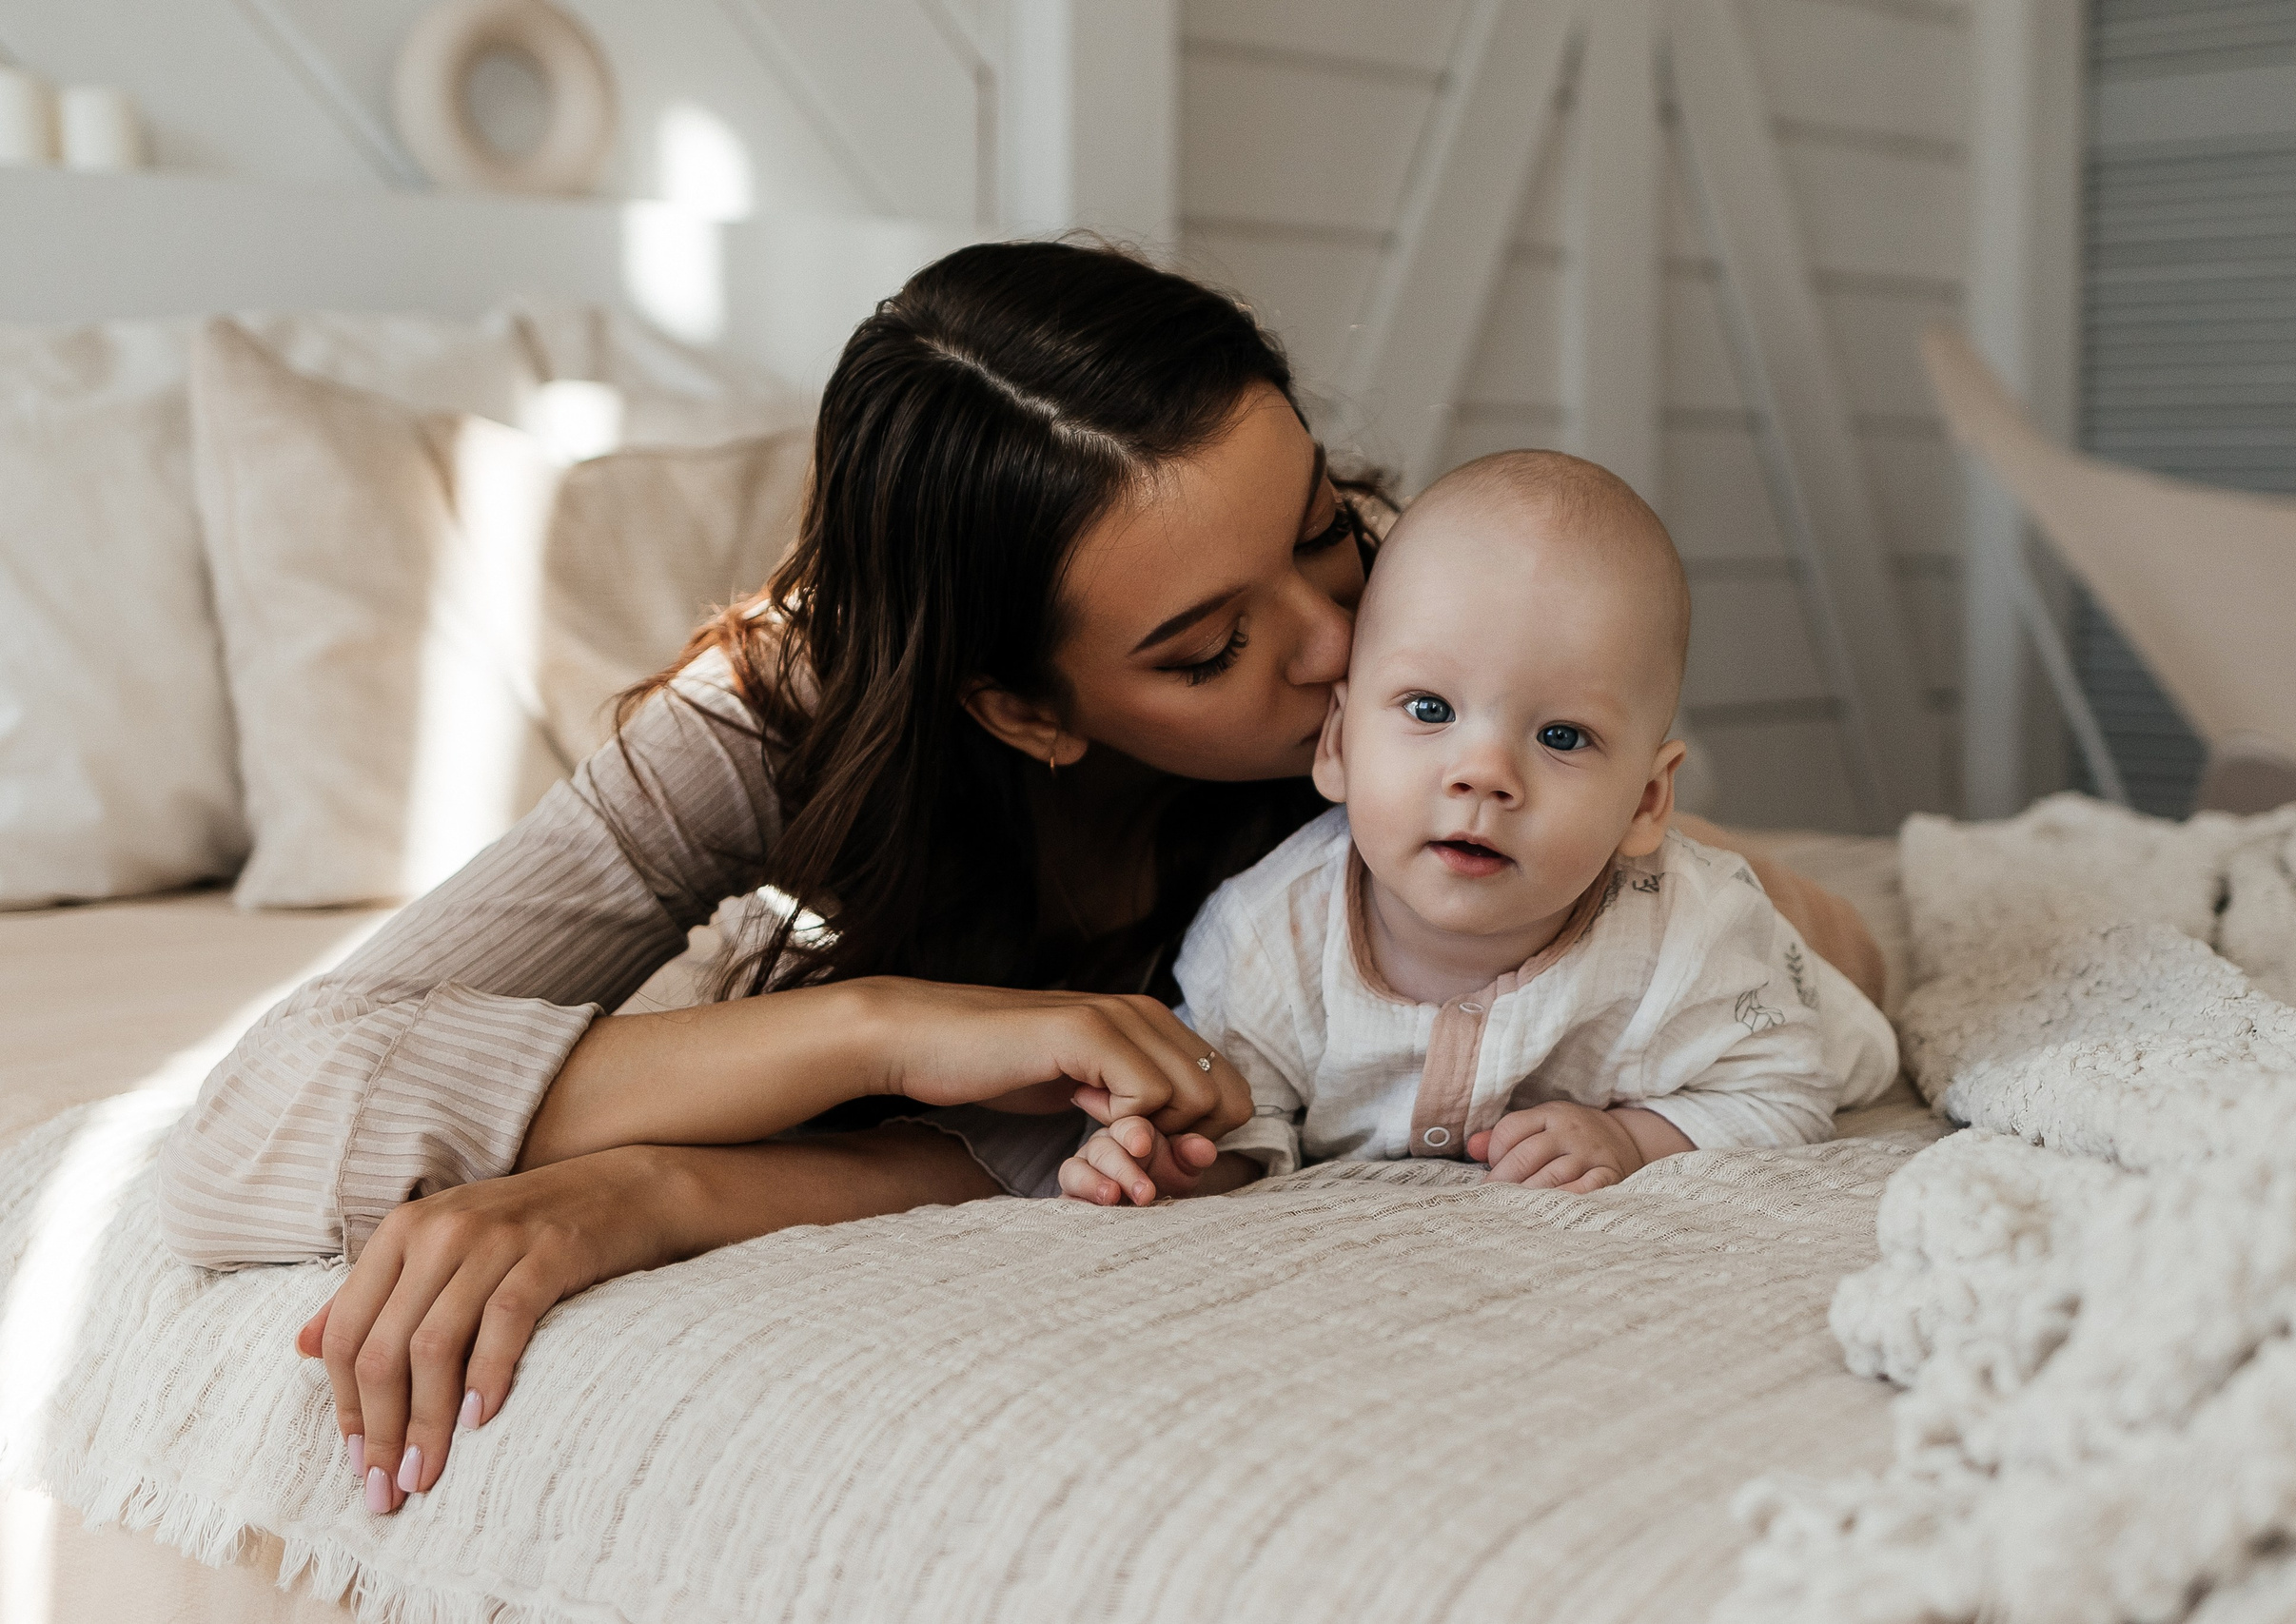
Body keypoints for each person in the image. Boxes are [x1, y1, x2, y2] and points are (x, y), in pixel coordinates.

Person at [154, 243, 1889, 1517]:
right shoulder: (760, 729)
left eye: (1318, 530)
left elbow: (1772, 947)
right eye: (1211, 647)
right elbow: (244, 1132)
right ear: (1022, 708)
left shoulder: (1402, 667)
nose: (1335, 647)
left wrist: (661, 1191)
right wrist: (881, 1029)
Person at [1058, 452, 1896, 1208]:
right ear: (1339, 740)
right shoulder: (1264, 940)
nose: (1483, 772)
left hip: (1800, 960)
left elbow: (1786, 1090)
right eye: (1430, 709)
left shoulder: (1695, 941)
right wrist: (1183, 1161)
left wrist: (1635, 1137)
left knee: (1856, 963)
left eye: (1560, 735)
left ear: (1645, 800)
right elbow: (1243, 1115)